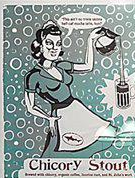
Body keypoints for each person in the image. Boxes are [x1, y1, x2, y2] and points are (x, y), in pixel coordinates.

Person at [23, 23, 114, 155]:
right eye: (49, 43)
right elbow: (31, 106)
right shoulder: (33, 76)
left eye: (58, 43)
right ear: (40, 46)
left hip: (77, 109)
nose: (54, 48)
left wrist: (90, 40)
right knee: (61, 150)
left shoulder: (61, 65)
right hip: (61, 116)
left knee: (105, 134)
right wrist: (48, 118)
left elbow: (87, 67)